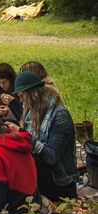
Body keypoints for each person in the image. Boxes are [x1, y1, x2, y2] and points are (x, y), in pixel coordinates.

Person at [12, 71, 78, 201]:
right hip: (41, 175)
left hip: (59, 182)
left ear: (33, 94)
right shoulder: (31, 111)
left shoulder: (59, 115)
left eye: (22, 95)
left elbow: (51, 156)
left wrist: (23, 135)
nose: (20, 99)